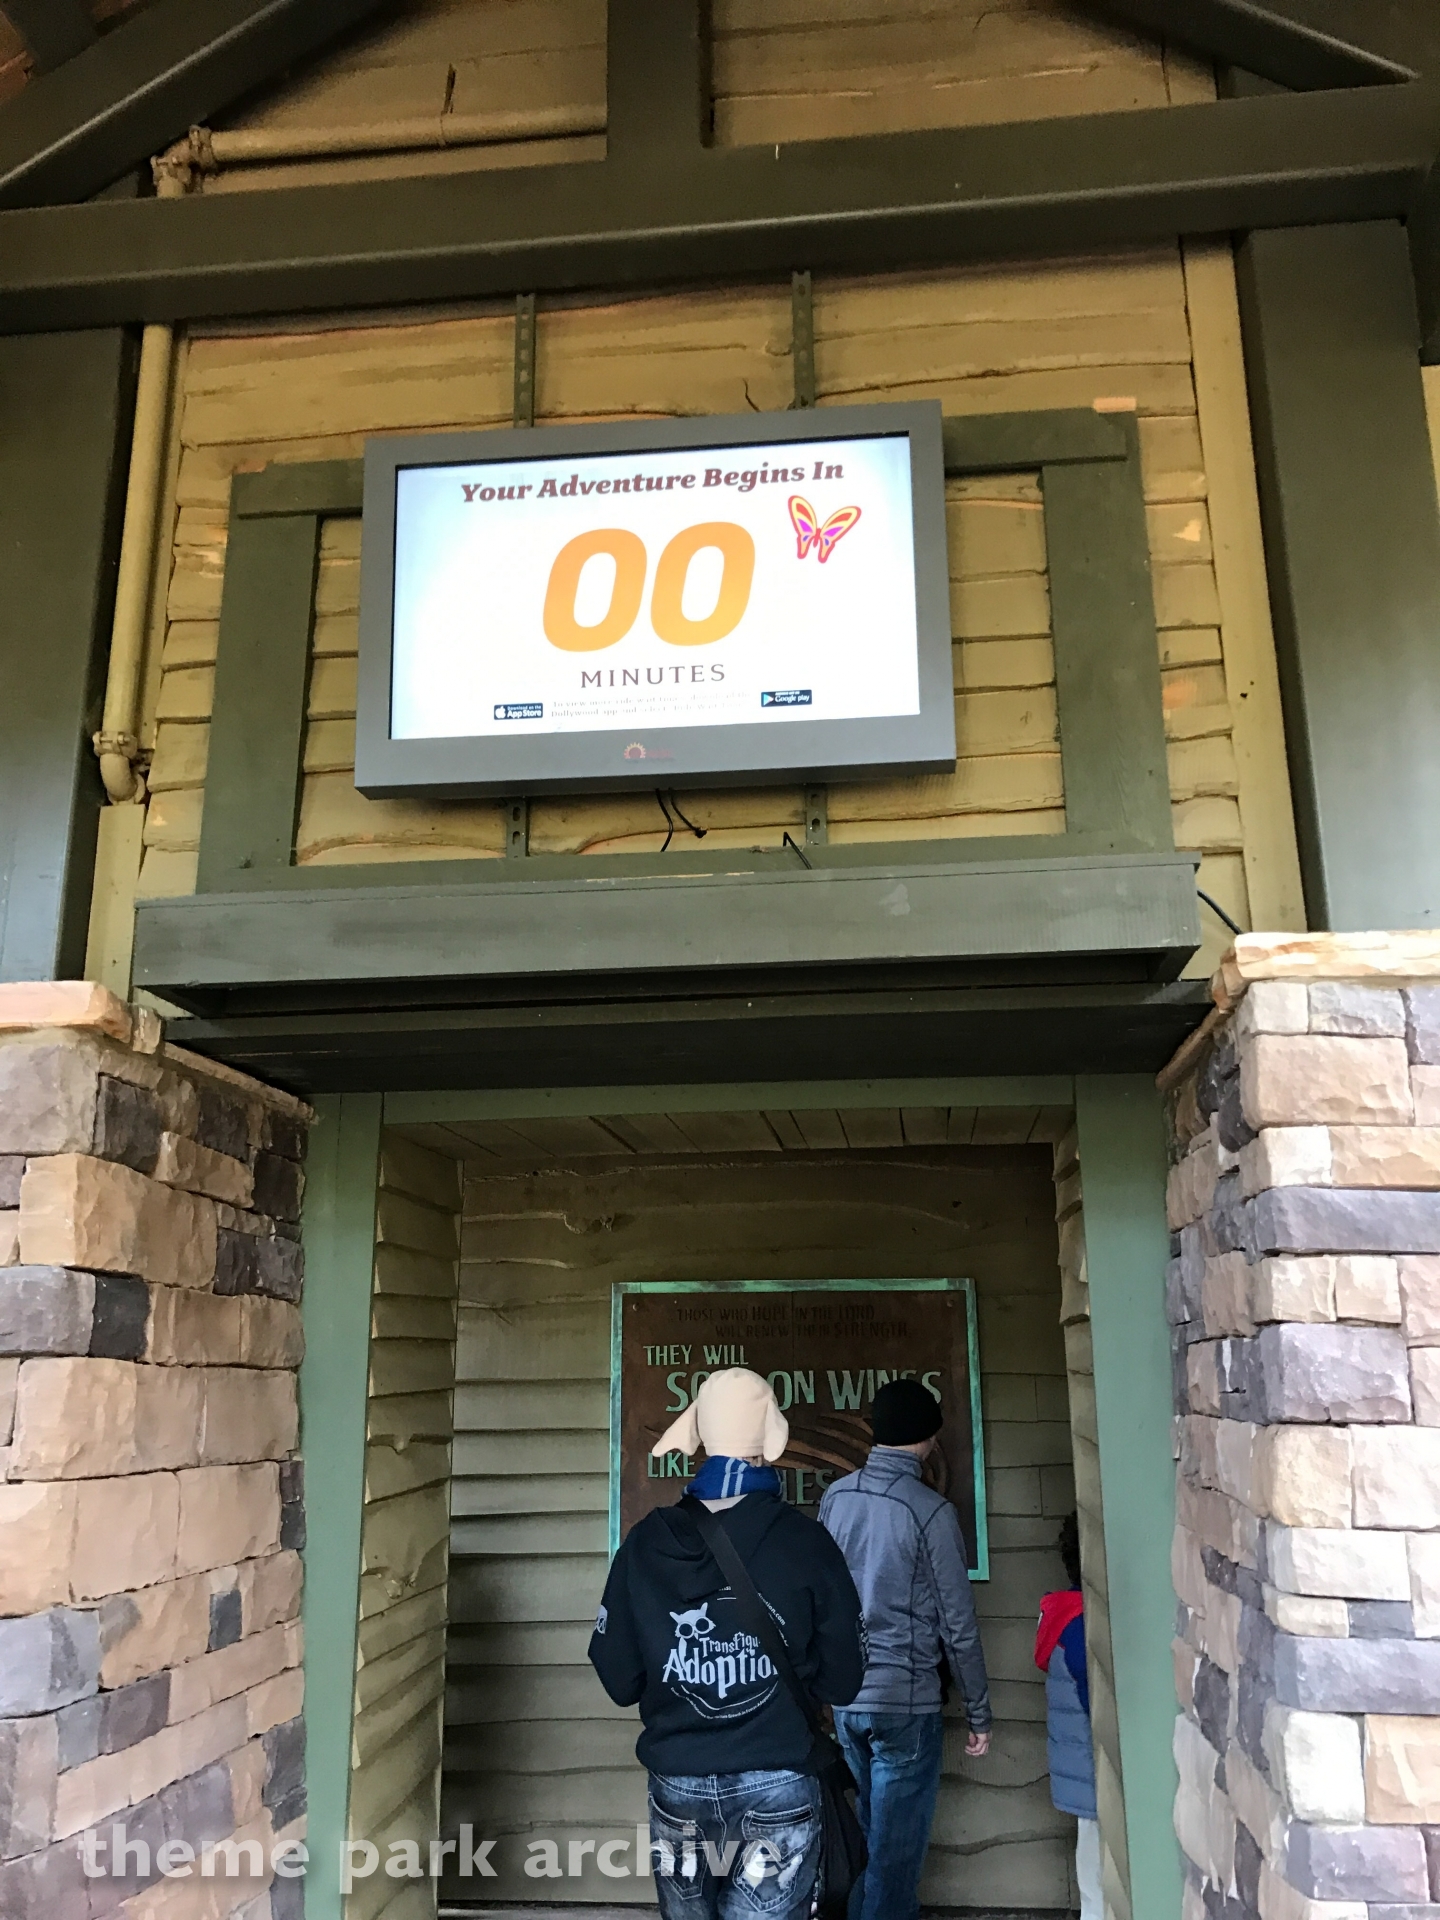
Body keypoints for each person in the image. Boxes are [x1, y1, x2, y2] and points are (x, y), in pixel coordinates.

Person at [589, 1367, 866, 1919]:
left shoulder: (645, 1544)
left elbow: (619, 1678)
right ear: (769, 1437)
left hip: (678, 1785)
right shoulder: (806, 1543)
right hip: (779, 1780)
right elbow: (844, 1680)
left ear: (701, 1436)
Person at [818, 1377, 992, 1920]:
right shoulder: (931, 1512)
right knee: (894, 1860)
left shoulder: (835, 1498)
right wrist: (979, 1711)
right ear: (928, 1438)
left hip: (846, 1698)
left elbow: (819, 1597)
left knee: (870, 1840)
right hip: (905, 1701)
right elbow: (956, 1624)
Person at [1036, 1513, 1102, 1920]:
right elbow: (1098, 1703)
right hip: (1099, 1776)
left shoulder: (1064, 1616)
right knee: (1101, 1885)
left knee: (1093, 1881)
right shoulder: (1084, 1626)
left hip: (1083, 1776)